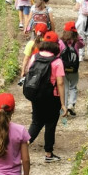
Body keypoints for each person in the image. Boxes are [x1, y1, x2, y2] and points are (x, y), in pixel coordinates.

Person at [25, 32, 67, 162]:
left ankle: (21, 147)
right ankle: (49, 153)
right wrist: (63, 104)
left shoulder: (35, 57)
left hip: (36, 95)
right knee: (50, 124)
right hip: (51, 97)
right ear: (56, 45)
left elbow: (29, 73)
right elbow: (60, 82)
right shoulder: (57, 61)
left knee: (36, 122)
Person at [60, 22, 84, 115]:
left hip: (63, 69)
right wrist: (77, 35)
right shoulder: (77, 42)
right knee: (73, 87)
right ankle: (71, 104)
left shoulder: (60, 42)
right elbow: (83, 44)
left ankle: (64, 108)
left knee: (65, 88)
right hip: (74, 69)